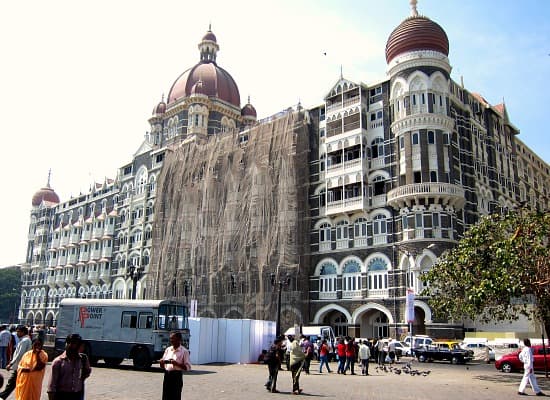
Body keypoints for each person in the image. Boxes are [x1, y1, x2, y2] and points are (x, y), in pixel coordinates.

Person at [47, 333, 91, 400]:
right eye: (69, 343)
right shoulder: (58, 362)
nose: (71, 345)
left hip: (77, 395)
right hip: (62, 396)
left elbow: (87, 372)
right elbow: (51, 386)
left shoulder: (83, 359)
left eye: (74, 343)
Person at [0, 325, 32, 400]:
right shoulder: (26, 339)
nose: (17, 334)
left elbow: (19, 354)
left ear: (23, 332)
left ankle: (3, 395)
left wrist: (11, 363)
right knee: (13, 383)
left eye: (18, 332)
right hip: (21, 365)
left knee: (12, 382)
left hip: (20, 365)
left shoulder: (25, 341)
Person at [160, 331, 192, 400]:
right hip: (167, 375)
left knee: (175, 396)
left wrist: (176, 364)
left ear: (179, 340)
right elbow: (163, 366)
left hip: (176, 377)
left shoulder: (184, 351)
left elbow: (188, 367)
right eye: (170, 338)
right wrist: (161, 363)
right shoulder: (168, 349)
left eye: (173, 339)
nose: (171, 340)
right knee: (165, 396)